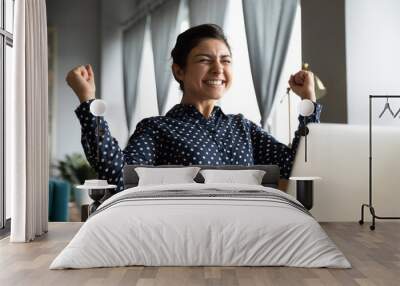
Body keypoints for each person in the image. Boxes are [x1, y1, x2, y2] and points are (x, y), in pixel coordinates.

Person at [66, 24, 321, 193]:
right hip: (183, 235)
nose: (218, 69)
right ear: (179, 70)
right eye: (204, 60)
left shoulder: (243, 127)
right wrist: (89, 101)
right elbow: (118, 174)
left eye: (225, 60)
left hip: (249, 233)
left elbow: (299, 165)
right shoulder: (157, 129)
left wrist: (308, 100)